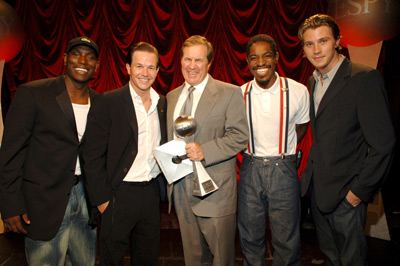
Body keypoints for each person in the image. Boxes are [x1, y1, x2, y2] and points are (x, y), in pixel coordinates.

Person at [298, 14, 395, 266]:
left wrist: (358, 193)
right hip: (319, 192)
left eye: (323, 41)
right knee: (331, 259)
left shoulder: (364, 78)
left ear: (338, 42)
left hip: (347, 195)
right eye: (309, 44)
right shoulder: (312, 81)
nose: (316, 50)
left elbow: (384, 144)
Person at [0, 36, 99, 265]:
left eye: (90, 56)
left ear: (97, 65)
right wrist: (10, 205)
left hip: (86, 200)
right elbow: (10, 154)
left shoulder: (99, 102)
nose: (82, 60)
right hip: (43, 203)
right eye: (76, 54)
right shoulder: (33, 93)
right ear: (65, 58)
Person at [82, 42, 166, 266]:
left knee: (147, 259)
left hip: (150, 195)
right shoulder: (107, 101)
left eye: (151, 67)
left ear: (158, 71)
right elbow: (91, 155)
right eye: (139, 66)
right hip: (117, 195)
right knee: (112, 260)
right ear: (127, 67)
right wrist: (102, 201)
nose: (145, 73)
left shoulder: (163, 103)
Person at [166, 35, 248, 266]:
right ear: (180, 61)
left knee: (222, 259)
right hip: (181, 189)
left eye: (199, 60)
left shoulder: (229, 92)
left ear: (209, 63)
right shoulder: (172, 97)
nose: (192, 66)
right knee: (193, 259)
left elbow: (240, 136)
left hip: (216, 191)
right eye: (188, 59)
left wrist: (205, 151)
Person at [238, 34, 309, 266]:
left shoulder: (298, 91)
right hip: (250, 168)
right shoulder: (239, 94)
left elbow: (301, 127)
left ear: (277, 57)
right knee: (250, 235)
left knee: (287, 238)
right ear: (248, 62)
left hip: (284, 168)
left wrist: (285, 154)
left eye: (266, 56)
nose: (260, 63)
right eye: (254, 58)